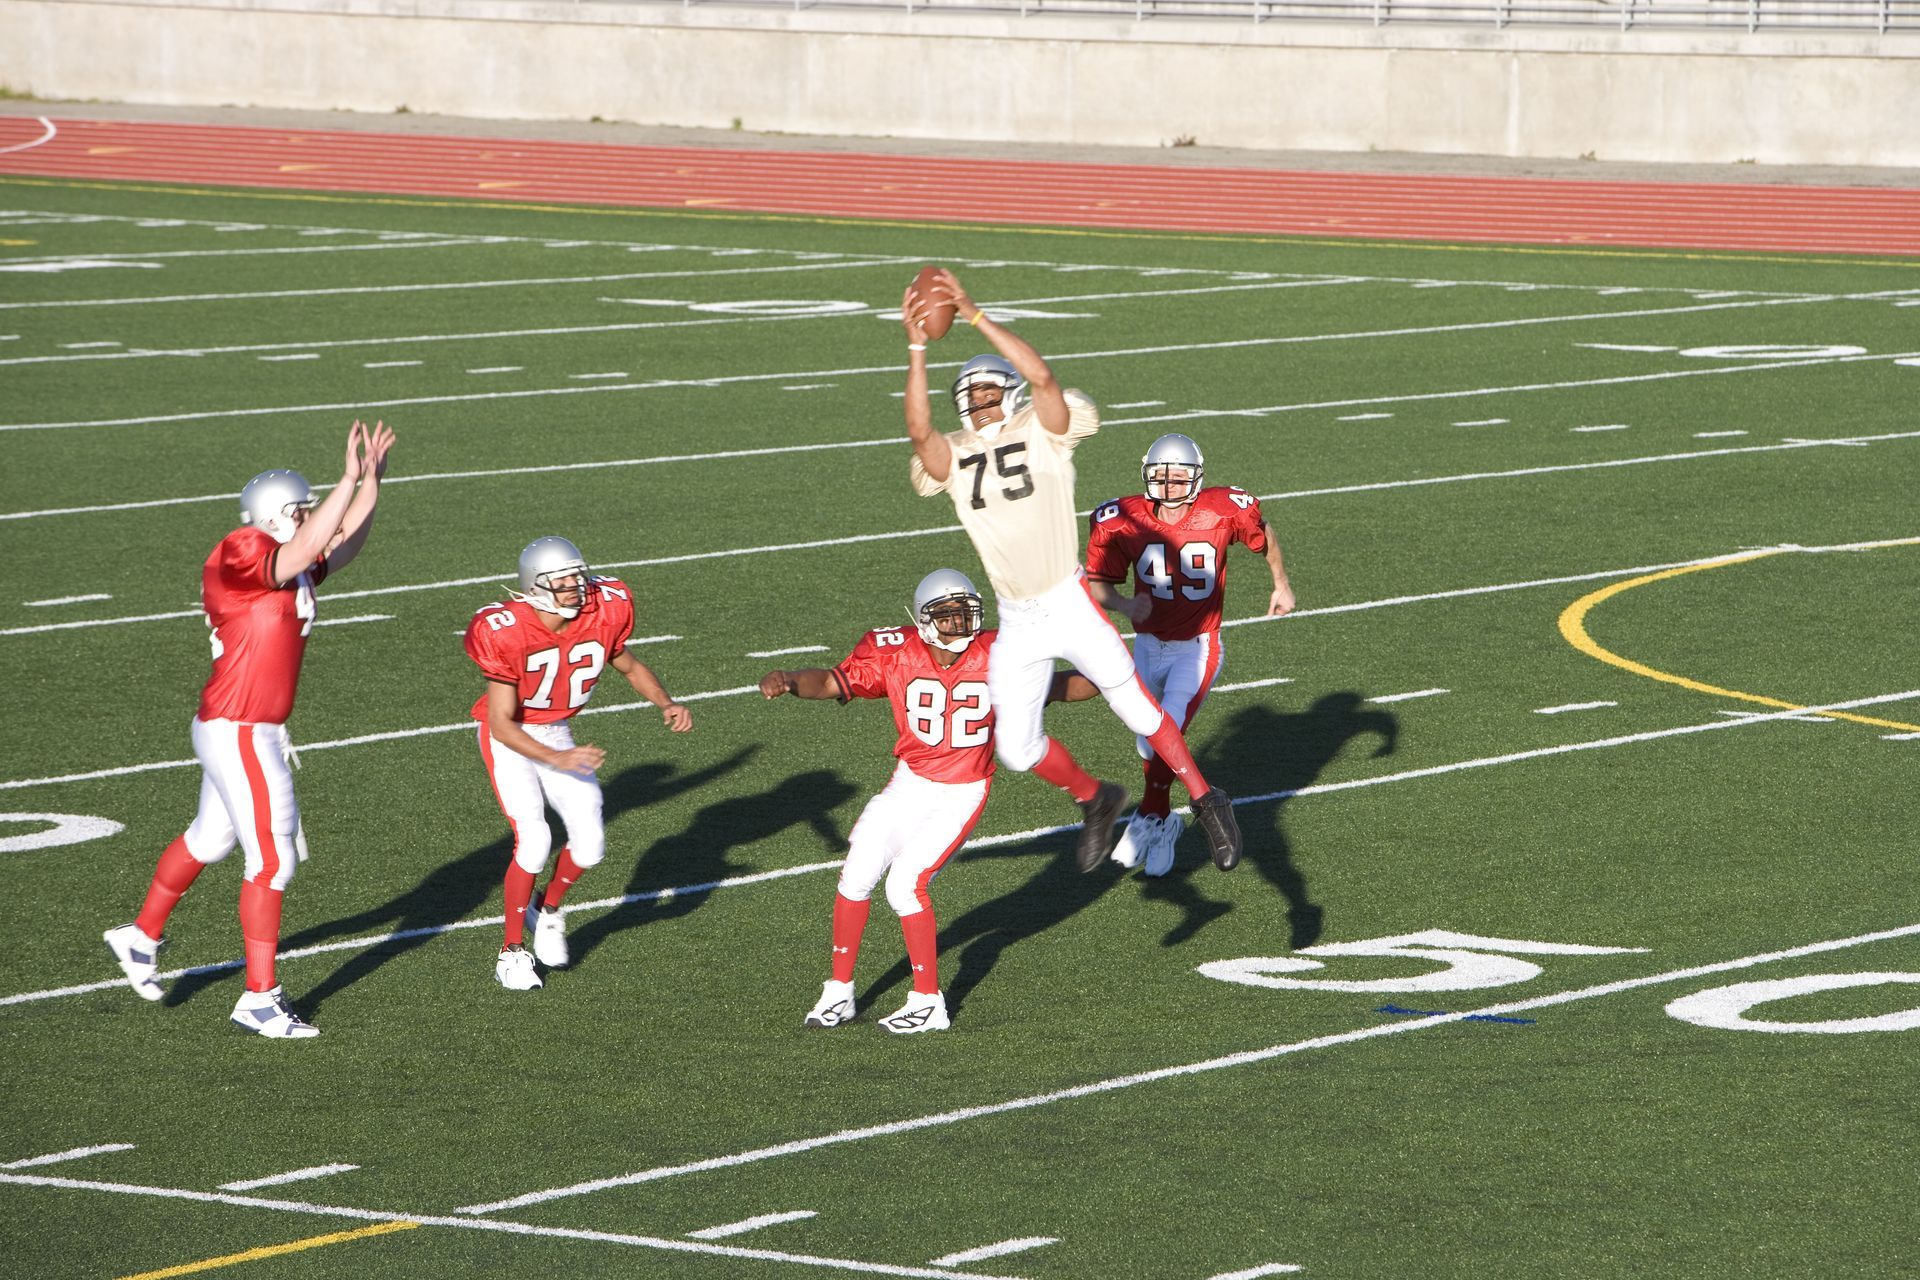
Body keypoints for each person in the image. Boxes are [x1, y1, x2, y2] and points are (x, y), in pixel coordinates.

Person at [901, 267, 1243, 875]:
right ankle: (1096, 798)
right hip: (1017, 616)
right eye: (971, 395)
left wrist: (976, 315)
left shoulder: (1044, 430)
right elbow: (919, 429)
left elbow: (1043, 377)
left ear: (1006, 393)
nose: (979, 402)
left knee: (1139, 711)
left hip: (1067, 599)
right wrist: (918, 347)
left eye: (988, 391)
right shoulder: (952, 456)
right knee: (1014, 747)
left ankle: (1206, 798)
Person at [103, 420, 396, 1038]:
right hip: (242, 727)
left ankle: (139, 935)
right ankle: (259, 997)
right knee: (271, 862)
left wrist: (369, 485)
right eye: (302, 509)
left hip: (238, 725)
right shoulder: (242, 549)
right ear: (273, 514)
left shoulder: (286, 564)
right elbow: (302, 546)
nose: (312, 518)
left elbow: (340, 545)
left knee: (211, 839)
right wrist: (345, 481)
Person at [761, 568, 1097, 1034]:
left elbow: (1061, 688)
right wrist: (792, 679)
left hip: (961, 791)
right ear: (923, 619)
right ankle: (838, 990)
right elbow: (836, 681)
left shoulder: (1000, 653)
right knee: (857, 872)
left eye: (967, 613)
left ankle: (928, 1001)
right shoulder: (894, 652)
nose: (961, 624)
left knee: (905, 885)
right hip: (911, 782)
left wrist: (1108, 675)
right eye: (949, 615)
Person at [463, 537, 693, 991]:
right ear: (536, 586)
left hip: (557, 733)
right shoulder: (506, 629)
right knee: (534, 839)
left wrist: (665, 702)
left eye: (576, 575)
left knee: (590, 845)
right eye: (562, 580)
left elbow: (627, 664)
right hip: (510, 738)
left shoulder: (600, 612)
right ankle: (511, 952)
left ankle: (546, 909)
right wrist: (557, 757)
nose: (575, 586)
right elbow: (503, 724)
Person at [1086, 432, 1295, 875]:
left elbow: (1264, 535)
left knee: (1162, 731)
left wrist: (1281, 583)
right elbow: (1097, 582)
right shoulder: (1120, 519)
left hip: (1197, 647)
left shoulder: (1223, 511)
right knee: (1148, 743)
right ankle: (1161, 819)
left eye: (1179, 479)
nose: (1169, 487)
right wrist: (1124, 604)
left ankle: (1151, 816)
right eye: (1161, 478)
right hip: (1146, 644)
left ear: (1196, 480)